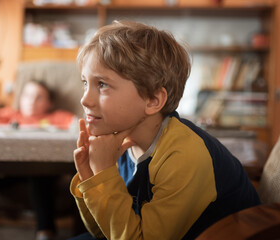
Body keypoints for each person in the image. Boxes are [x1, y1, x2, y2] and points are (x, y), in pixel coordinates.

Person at [69, 20, 261, 240]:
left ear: (153, 100)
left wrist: (104, 174)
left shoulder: (184, 153)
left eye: (102, 84)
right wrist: (89, 176)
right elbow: (105, 231)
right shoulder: (120, 142)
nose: (85, 99)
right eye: (85, 83)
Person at [0, 80, 75, 240]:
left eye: (39, 97)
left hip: (36, 172)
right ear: (21, 98)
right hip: (4, 171)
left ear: (49, 103)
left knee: (40, 171)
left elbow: (76, 123)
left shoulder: (55, 117)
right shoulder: (10, 114)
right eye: (28, 95)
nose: (32, 101)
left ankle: (45, 233)